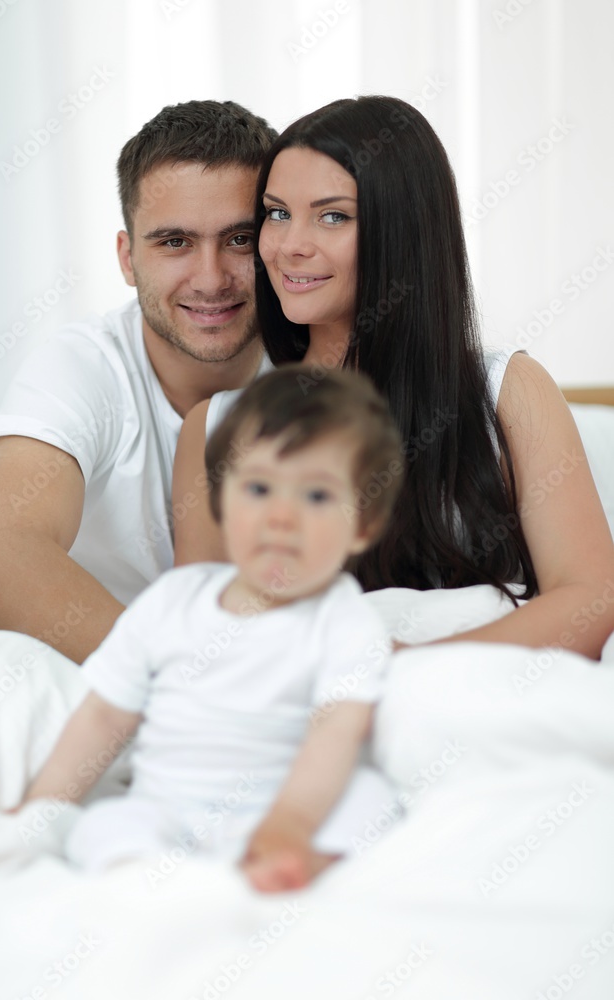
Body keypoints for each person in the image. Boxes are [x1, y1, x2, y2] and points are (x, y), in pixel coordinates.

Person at [173, 95, 614, 660]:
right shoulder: (217, 428)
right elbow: (211, 643)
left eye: (332, 215)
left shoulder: (510, 392)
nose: (289, 246)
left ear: (403, 232)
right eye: (277, 213)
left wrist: (407, 665)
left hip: (481, 708)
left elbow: (591, 599)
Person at [20, 366, 402, 891]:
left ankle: (289, 869)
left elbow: (337, 730)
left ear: (363, 524)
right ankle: (155, 881)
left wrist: (289, 822)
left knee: (372, 803)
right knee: (103, 827)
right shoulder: (172, 604)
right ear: (222, 500)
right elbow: (104, 713)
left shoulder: (343, 618)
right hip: (168, 809)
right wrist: (41, 808)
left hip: (284, 813)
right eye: (260, 488)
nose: (281, 518)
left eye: (315, 496)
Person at [0, 100, 277, 663]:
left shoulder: (318, 366)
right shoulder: (82, 365)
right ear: (127, 259)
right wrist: (182, 690)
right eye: (174, 242)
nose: (211, 278)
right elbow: (2, 558)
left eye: (239, 240)